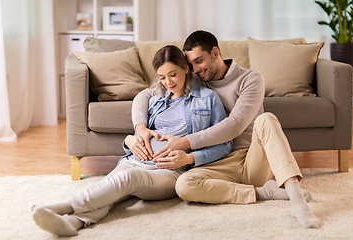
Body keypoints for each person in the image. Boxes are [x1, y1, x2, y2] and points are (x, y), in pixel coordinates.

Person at [30, 45, 232, 237]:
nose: (168, 82)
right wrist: (130, 141)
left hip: (169, 172)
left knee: (126, 180)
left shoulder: (208, 99)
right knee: (110, 191)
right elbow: (139, 133)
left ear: (186, 68)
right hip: (135, 160)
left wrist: (188, 158)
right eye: (162, 77)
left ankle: (64, 206)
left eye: (173, 74)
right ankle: (72, 223)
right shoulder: (156, 100)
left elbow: (224, 144)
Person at [131, 30, 321, 229]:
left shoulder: (250, 78)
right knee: (184, 185)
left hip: (251, 159)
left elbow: (235, 124)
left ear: (215, 53)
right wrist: (140, 127)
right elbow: (143, 96)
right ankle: (261, 192)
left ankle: (297, 199)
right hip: (217, 161)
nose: (195, 69)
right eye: (191, 64)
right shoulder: (195, 79)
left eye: (199, 61)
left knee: (266, 119)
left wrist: (186, 142)